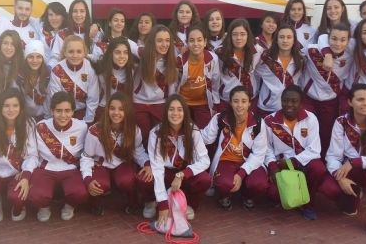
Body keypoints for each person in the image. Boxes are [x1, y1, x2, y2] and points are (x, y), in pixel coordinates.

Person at [321, 84, 366, 238]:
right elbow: (333, 156)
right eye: (360, 99)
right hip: (349, 172)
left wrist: (355, 162)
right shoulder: (341, 122)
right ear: (350, 102)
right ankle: (353, 196)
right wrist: (339, 178)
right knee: (328, 187)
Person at [81, 92, 151, 216]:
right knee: (99, 184)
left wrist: (147, 164)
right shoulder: (95, 130)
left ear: (127, 112)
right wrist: (87, 179)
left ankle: (133, 203)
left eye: (121, 109)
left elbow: (138, 150)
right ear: (107, 110)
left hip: (122, 163)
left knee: (127, 180)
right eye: (112, 108)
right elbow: (86, 157)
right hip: (100, 165)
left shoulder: (133, 130)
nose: (116, 113)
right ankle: (95, 204)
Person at [201, 86, 268, 210]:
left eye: (244, 101)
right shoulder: (221, 118)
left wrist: (241, 174)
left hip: (248, 161)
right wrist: (188, 131)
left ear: (249, 103)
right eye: (236, 101)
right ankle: (224, 196)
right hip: (225, 161)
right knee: (224, 184)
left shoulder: (258, 123)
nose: (240, 105)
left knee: (260, 184)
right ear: (230, 103)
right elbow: (206, 138)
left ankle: (247, 195)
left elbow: (259, 154)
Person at [264, 85, 326, 220]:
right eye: (285, 100)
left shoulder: (311, 118)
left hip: (303, 162)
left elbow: (315, 149)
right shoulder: (270, 121)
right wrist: (272, 166)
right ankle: (285, 198)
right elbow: (267, 149)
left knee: (319, 168)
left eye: (294, 101)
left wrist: (292, 162)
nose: (289, 105)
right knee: (273, 194)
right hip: (281, 165)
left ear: (301, 103)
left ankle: (308, 204)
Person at [25, 92, 89, 222]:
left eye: (67, 111)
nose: (63, 115)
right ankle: (43, 207)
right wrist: (26, 172)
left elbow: (86, 154)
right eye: (58, 111)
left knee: (80, 193)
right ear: (52, 111)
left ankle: (69, 206)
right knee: (36, 195)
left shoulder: (82, 127)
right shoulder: (41, 126)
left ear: (73, 111)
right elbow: (33, 154)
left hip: (70, 168)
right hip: (46, 168)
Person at [149, 95, 210, 223]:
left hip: (183, 174)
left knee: (204, 179)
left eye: (179, 109)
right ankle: (152, 200)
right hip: (165, 173)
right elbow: (157, 168)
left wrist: (183, 174)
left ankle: (188, 204)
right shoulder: (156, 133)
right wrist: (163, 204)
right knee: (145, 178)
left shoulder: (193, 130)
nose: (175, 113)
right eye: (171, 109)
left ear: (185, 112)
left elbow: (205, 160)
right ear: (165, 112)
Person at [301, 23, 353, 157]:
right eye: (334, 39)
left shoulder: (351, 55)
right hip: (309, 99)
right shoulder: (313, 50)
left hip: (330, 102)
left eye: (343, 40)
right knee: (306, 133)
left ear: (348, 41)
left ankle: (323, 165)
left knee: (326, 135)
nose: (338, 43)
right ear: (328, 39)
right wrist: (327, 54)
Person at [0, 89, 36, 222]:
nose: (11, 109)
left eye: (15, 105)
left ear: (21, 107)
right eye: (6, 106)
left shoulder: (28, 124)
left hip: (17, 173)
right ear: (0, 107)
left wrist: (25, 176)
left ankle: (18, 207)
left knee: (18, 198)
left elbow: (32, 155)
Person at [133, 25, 178, 146]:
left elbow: (172, 90)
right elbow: (127, 43)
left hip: (160, 104)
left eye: (167, 40)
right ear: (152, 42)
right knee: (142, 138)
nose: (164, 44)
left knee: (159, 139)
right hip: (139, 104)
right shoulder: (141, 57)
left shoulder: (172, 61)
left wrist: (171, 107)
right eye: (159, 40)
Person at [48, 35, 100, 124]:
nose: (75, 55)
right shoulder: (57, 70)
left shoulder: (90, 68)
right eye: (71, 51)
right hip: (63, 113)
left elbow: (93, 98)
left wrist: (88, 120)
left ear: (84, 52)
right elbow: (55, 98)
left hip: (83, 112)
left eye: (79, 51)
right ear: (65, 52)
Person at [254, 25, 304, 118]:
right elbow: (253, 72)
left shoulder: (300, 59)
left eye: (289, 37)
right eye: (281, 37)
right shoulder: (265, 58)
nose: (285, 40)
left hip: (290, 108)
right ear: (276, 40)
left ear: (294, 41)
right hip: (267, 108)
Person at [176, 26, 220, 129]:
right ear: (187, 43)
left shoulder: (212, 58)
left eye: (199, 40)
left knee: (204, 133)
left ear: (205, 42)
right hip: (183, 103)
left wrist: (215, 105)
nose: (196, 44)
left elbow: (215, 83)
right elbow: (174, 85)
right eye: (191, 40)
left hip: (203, 103)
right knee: (184, 133)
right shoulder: (180, 60)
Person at [217, 19, 262, 112]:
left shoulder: (258, 50)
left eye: (242, 34)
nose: (238, 38)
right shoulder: (220, 52)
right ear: (229, 35)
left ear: (248, 35)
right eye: (235, 34)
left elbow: (260, 71)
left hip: (249, 100)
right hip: (227, 99)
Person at [95, 37, 135, 122]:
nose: (122, 56)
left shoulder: (132, 70)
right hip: (104, 109)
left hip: (124, 111)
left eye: (125, 52)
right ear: (110, 53)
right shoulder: (101, 69)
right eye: (117, 52)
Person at [50, 0, 100, 65]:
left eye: (82, 11)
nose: (78, 15)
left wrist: (85, 56)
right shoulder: (62, 34)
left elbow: (99, 57)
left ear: (86, 13)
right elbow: (55, 57)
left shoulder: (95, 32)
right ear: (71, 13)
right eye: (75, 11)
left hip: (89, 72)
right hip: (67, 73)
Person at [16, 40, 50, 120]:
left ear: (43, 58)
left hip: (44, 118)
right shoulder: (19, 76)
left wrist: (47, 119)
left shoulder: (48, 76)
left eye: (38, 57)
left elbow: (50, 100)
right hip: (24, 118)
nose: (35, 61)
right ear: (26, 58)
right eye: (31, 57)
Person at [40, 1, 68, 68]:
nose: (54, 18)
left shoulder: (69, 32)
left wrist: (94, 25)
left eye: (57, 14)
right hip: (43, 71)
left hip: (62, 72)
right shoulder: (41, 27)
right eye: (50, 14)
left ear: (63, 17)